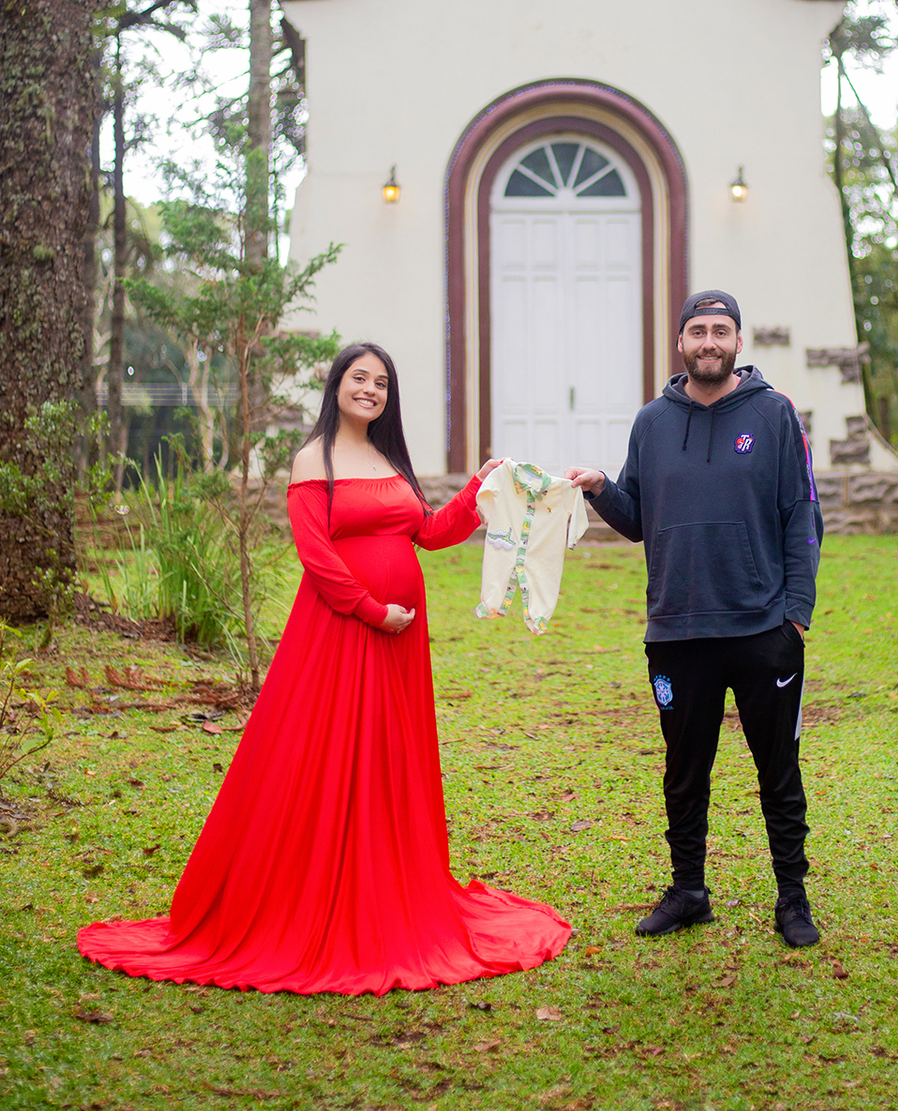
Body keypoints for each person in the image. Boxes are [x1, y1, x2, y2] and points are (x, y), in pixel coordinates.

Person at [79, 342, 570, 994]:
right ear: (336, 384)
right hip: (342, 631)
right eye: (359, 378)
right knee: (328, 754)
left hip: (399, 641)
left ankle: (387, 882)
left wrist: (480, 485)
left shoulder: (390, 459)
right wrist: (370, 610)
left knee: (388, 759)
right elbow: (315, 554)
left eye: (382, 382)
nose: (370, 389)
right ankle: (321, 894)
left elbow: (428, 531)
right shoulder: (314, 457)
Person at [565, 290, 822, 949]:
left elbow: (803, 517)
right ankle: (688, 891)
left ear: (738, 341)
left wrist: (795, 616)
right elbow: (636, 520)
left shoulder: (774, 415)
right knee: (684, 771)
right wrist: (599, 488)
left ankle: (792, 898)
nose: (709, 341)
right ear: (680, 342)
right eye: (698, 331)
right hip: (677, 635)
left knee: (778, 772)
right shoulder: (652, 422)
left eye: (721, 330)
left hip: (763, 632)